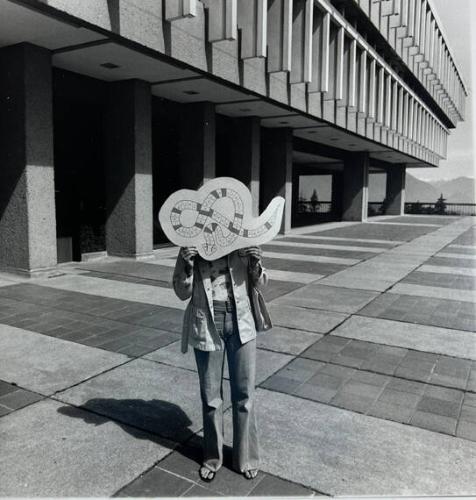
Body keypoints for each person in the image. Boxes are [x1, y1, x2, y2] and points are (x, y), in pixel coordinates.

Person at [172, 245, 268, 482]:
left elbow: (262, 282)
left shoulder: (242, 239)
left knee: (244, 394)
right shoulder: (191, 243)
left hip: (241, 319)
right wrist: (187, 265)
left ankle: (245, 457)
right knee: (211, 396)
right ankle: (212, 457)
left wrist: (255, 264)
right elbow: (181, 291)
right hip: (207, 321)